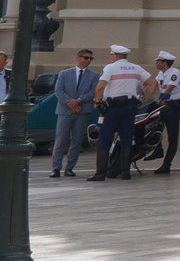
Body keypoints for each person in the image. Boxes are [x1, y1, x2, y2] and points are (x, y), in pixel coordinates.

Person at [91, 43, 153, 181]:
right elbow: (153, 83)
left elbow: (100, 87)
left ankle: (101, 173)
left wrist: (97, 102)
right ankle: (125, 172)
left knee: (105, 138)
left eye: (111, 55)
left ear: (115, 55)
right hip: (130, 107)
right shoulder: (136, 68)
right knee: (127, 138)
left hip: (113, 107)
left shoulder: (110, 68)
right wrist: (144, 99)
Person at [47, 49, 98, 179]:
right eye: (86, 58)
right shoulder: (65, 73)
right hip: (65, 110)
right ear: (78, 58)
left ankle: (69, 167)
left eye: (90, 59)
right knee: (60, 140)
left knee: (76, 140)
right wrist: (70, 103)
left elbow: (93, 92)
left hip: (82, 110)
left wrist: (78, 101)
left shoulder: (93, 75)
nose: (88, 61)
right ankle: (56, 167)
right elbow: (59, 90)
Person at [149, 50, 180, 174]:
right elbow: (152, 85)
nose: (155, 62)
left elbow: (169, 89)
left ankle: (167, 164)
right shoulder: (161, 74)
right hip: (163, 106)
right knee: (155, 127)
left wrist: (161, 100)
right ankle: (158, 149)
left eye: (158, 61)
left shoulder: (174, 73)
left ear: (164, 63)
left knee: (172, 136)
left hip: (172, 107)